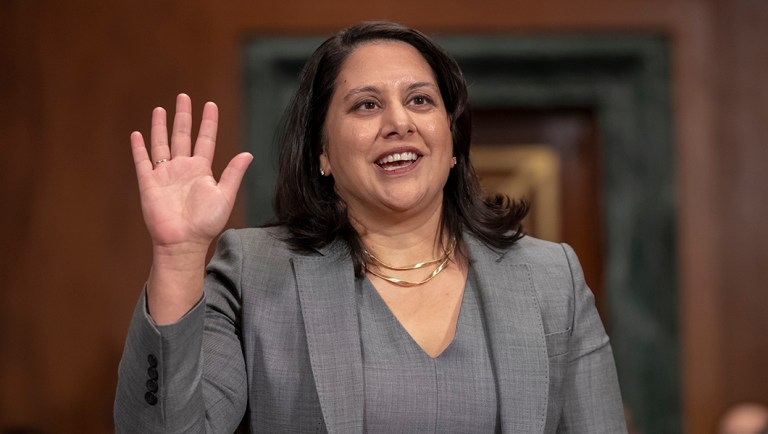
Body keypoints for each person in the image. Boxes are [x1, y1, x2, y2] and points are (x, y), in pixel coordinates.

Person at [114, 21, 626, 433]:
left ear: (451, 140)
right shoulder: (255, 271)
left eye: (421, 100)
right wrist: (179, 255)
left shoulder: (550, 277)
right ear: (322, 153)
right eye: (366, 104)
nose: (399, 121)